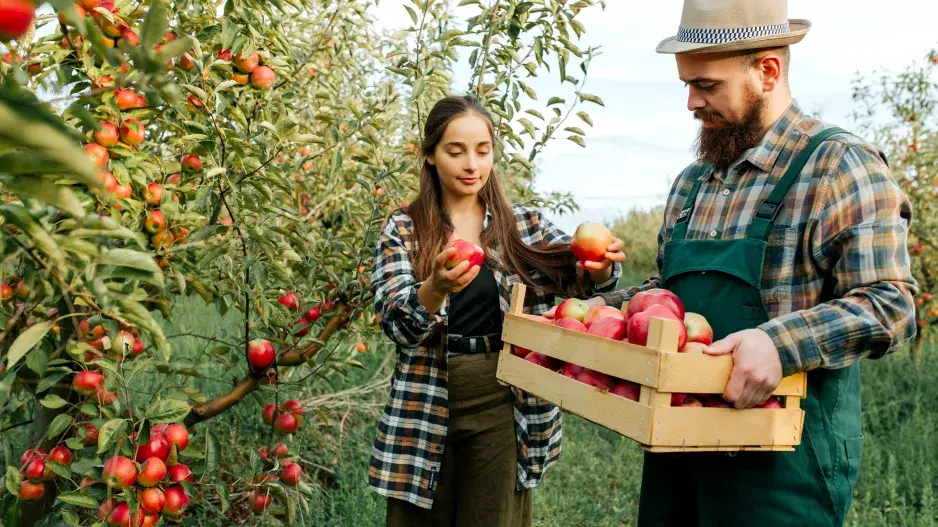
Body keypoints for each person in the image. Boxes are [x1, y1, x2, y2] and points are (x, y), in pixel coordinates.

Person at [557, 0, 918, 525]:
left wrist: (778, 344)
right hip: (678, 448)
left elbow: (891, 305)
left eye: (706, 85)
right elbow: (671, 293)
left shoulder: (839, 167)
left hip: (781, 463)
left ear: (767, 71)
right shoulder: (693, 182)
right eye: (686, 84)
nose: (690, 102)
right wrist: (596, 308)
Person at [368, 95, 625, 526]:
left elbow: (582, 279)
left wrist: (600, 268)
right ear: (430, 155)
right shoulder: (405, 228)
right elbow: (397, 324)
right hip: (425, 397)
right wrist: (434, 288)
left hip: (504, 398)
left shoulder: (525, 225)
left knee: (491, 515)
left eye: (482, 151)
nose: (472, 164)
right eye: (455, 151)